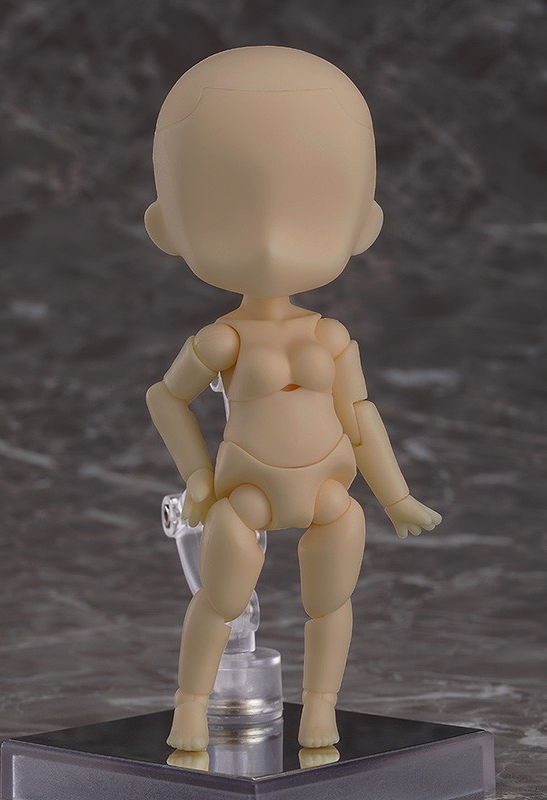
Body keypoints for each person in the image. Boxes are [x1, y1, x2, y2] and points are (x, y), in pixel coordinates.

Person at [145, 45, 442, 751]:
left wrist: (396, 495)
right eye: (225, 203)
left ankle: (320, 707)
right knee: (220, 597)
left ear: (364, 223)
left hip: (329, 491)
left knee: (331, 599)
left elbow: (359, 417)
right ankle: (191, 703)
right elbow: (165, 398)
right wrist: (198, 477)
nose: (272, 240)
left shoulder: (330, 337)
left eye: (313, 202)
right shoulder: (222, 340)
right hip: (245, 491)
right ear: (167, 225)